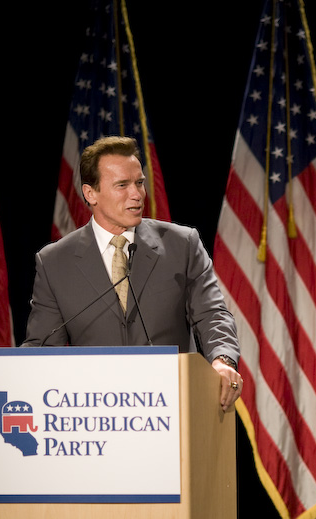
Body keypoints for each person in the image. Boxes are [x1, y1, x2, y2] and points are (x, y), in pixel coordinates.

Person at [21, 136, 242, 412]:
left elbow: (212, 314)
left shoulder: (182, 245)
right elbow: (43, 347)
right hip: (93, 417)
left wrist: (223, 360)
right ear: (90, 194)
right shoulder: (55, 262)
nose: (136, 194)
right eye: (122, 185)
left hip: (174, 408)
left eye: (139, 183)